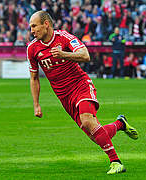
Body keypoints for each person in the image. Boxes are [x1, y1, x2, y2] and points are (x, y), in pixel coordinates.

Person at [27, 11, 138, 175]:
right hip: (64, 97)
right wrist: (36, 104)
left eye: (34, 26)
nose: (32, 31)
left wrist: (64, 54)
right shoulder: (32, 48)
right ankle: (120, 124)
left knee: (87, 121)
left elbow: (85, 55)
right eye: (30, 27)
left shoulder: (64, 37)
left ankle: (116, 162)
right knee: (96, 134)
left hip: (80, 86)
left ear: (46, 24)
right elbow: (34, 78)